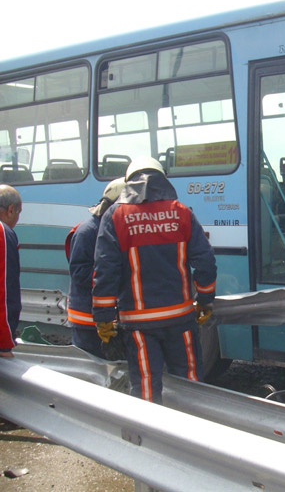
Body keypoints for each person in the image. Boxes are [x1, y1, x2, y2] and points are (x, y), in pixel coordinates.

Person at [92, 157, 216, 403]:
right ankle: (194, 435)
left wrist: (103, 318)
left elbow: (105, 270)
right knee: (189, 380)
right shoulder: (182, 213)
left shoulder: (115, 216)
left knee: (147, 385)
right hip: (180, 319)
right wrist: (205, 299)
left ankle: (150, 436)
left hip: (139, 323)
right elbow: (205, 262)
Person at [65, 178, 126, 358]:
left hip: (107, 318)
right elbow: (80, 273)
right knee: (90, 370)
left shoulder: (111, 229)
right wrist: (113, 277)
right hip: (87, 320)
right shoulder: (87, 232)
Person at [0, 185, 22, 358]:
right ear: (11, 210)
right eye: (18, 213)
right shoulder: (4, 233)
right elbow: (6, 291)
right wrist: (5, 343)